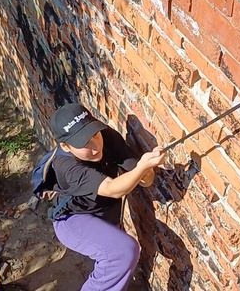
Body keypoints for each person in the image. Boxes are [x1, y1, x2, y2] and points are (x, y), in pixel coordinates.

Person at [48, 103, 165, 291]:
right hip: (73, 220)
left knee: (117, 261)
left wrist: (147, 169)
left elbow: (145, 181)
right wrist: (142, 168)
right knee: (123, 252)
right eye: (83, 143)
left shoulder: (105, 135)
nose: (95, 146)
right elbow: (112, 189)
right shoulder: (65, 166)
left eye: (94, 134)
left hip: (106, 214)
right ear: (65, 146)